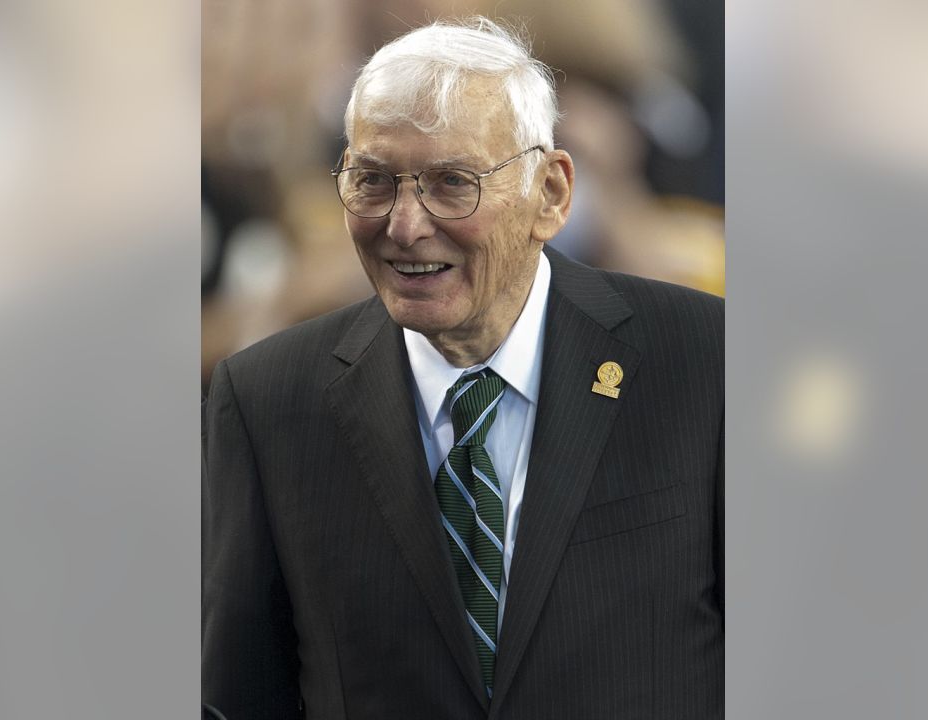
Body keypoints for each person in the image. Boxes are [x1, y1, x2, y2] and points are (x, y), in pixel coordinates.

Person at [203, 17, 722, 719]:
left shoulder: (699, 359)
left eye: (452, 183)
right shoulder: (269, 400)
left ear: (551, 195)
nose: (405, 224)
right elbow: (240, 695)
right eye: (373, 181)